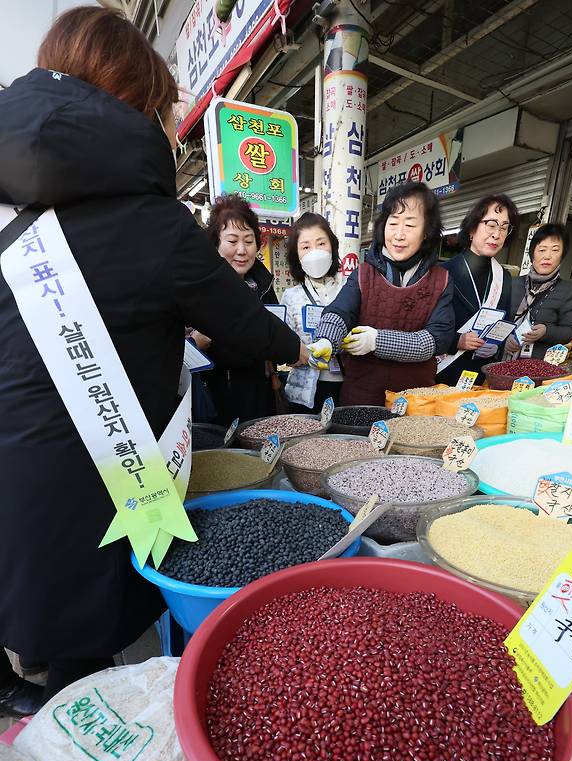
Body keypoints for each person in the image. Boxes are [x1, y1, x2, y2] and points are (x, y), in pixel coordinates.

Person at [0, 6, 306, 716]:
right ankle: (75, 753)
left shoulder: (12, 200)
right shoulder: (152, 219)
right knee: (83, 651)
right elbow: (238, 321)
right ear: (139, 101)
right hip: (92, 476)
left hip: (13, 448)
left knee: (31, 589)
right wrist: (298, 346)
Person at [308, 181, 455, 406]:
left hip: (415, 401)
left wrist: (377, 340)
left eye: (410, 225)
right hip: (361, 396)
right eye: (393, 222)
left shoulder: (441, 280)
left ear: (427, 232)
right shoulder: (364, 274)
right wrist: (327, 339)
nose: (398, 234)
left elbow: (434, 341)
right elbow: (340, 311)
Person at [191, 195, 284, 426]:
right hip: (215, 395)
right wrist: (194, 343)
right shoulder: (196, 287)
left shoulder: (264, 285)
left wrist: (274, 373)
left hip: (258, 393)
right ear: (216, 244)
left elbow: (275, 333)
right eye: (232, 241)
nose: (242, 250)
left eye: (248, 240)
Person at [437, 194, 520, 386]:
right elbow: (423, 325)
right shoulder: (442, 272)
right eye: (491, 225)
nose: (497, 234)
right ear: (472, 228)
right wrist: (456, 340)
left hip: (481, 377)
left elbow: (504, 322)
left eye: (504, 227)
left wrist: (497, 346)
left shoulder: (504, 277)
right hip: (442, 373)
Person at [280, 212, 344, 413]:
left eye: (321, 243)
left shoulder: (349, 290)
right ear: (296, 255)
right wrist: (300, 354)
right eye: (306, 247)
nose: (314, 252)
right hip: (303, 393)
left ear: (332, 246)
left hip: (346, 386)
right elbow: (285, 350)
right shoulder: (291, 297)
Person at [506, 223, 572, 359]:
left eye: (555, 250)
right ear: (532, 252)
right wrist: (504, 340)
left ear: (562, 255)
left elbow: (571, 329)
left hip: (538, 364)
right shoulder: (512, 284)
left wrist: (546, 332)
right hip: (502, 360)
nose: (547, 256)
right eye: (542, 250)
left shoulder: (568, 290)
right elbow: (495, 320)